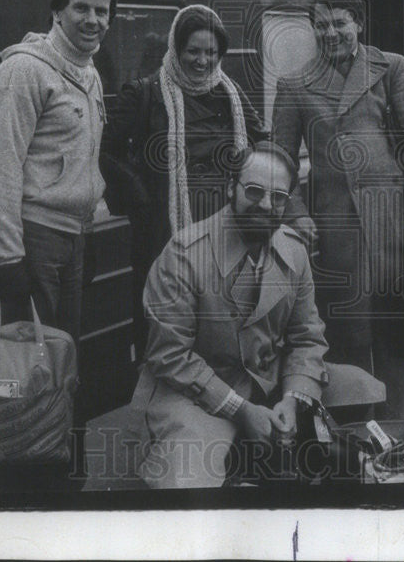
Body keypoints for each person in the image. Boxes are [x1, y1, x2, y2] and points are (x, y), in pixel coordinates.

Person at [272, 0, 404, 422]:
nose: (331, 33)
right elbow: (279, 162)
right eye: (322, 24)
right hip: (334, 238)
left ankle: (401, 436)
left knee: (395, 339)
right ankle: (355, 444)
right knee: (347, 342)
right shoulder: (295, 85)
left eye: (340, 23)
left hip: (393, 230)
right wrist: (296, 213)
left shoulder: (391, 69)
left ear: (358, 23)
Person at [0, 0, 119, 490]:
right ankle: (19, 494)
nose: (92, 20)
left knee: (61, 366)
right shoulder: (24, 71)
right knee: (22, 375)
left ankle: (59, 482)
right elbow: (0, 169)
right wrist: (8, 261)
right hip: (33, 240)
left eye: (101, 12)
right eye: (81, 8)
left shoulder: (88, 72)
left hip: (71, 238)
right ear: (57, 11)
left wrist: (88, 228)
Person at [133, 142, 328, 488]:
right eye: (254, 191)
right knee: (187, 482)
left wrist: (292, 398)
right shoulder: (184, 255)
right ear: (230, 189)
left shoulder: (294, 251)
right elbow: (170, 356)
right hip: (193, 392)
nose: (266, 205)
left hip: (270, 384)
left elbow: (307, 337)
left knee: (360, 403)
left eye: (278, 196)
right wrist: (241, 410)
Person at [102, 5, 267, 358]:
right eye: (193, 51)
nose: (202, 61)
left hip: (223, 228)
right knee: (166, 327)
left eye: (211, 52)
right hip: (166, 230)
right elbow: (105, 150)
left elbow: (262, 142)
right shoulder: (145, 93)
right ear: (176, 49)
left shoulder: (230, 93)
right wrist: (141, 197)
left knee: (218, 326)